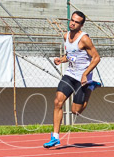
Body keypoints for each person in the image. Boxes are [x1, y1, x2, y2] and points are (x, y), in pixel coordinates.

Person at [43, 11, 101, 149]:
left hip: (83, 78)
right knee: (58, 101)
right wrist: (61, 59)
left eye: (76, 22)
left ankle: (91, 87)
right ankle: (55, 137)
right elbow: (70, 56)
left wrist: (86, 74)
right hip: (70, 74)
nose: (72, 23)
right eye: (72, 20)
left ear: (81, 25)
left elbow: (96, 58)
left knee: (76, 111)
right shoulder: (66, 36)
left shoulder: (84, 39)